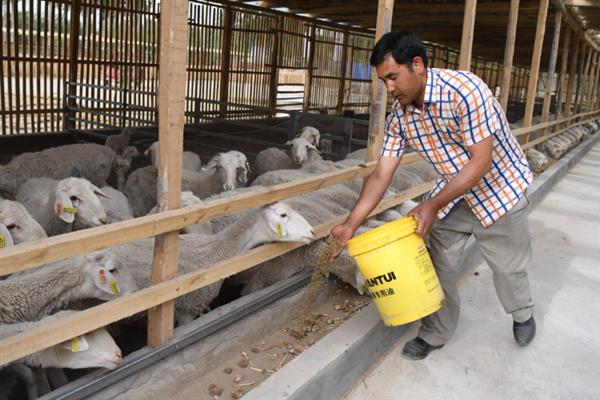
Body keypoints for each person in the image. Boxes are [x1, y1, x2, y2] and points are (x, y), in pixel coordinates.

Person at [330, 31, 536, 360]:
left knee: (508, 268)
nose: (389, 89)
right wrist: (351, 224)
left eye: (393, 78)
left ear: (418, 65)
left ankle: (522, 313)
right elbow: (383, 172)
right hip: (453, 195)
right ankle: (436, 331)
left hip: (500, 190)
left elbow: (481, 161)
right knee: (438, 266)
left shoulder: (464, 91)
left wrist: (431, 205)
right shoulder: (400, 117)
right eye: (383, 81)